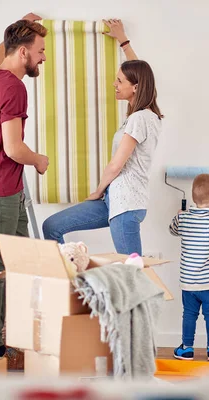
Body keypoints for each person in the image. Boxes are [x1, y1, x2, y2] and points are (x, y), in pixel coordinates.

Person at [42, 19, 162, 256]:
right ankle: (69, 283)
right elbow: (138, 71)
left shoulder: (141, 118)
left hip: (126, 205)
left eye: (119, 81)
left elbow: (117, 164)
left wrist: (97, 191)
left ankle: (144, 293)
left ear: (136, 87)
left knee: (132, 272)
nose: (114, 84)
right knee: (51, 226)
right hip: (113, 200)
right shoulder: (139, 115)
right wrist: (124, 41)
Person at [0, 13, 49, 357]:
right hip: (1, 190)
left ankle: (14, 333)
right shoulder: (14, 87)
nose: (43, 57)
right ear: (22, 53)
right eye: (40, 50)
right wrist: (39, 160)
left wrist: (20, 22)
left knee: (21, 264)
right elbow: (13, 148)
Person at [170, 174, 209, 362]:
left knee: (189, 314)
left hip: (189, 282)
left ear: (193, 197)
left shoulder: (184, 219)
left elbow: (172, 230)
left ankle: (186, 348)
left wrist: (179, 216)